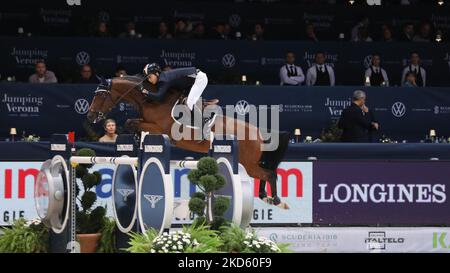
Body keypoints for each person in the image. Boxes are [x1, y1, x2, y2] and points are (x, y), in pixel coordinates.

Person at [141, 63, 214, 128]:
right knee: (185, 101)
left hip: (199, 79)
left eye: (150, 77)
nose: (149, 80)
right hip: (191, 82)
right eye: (148, 78)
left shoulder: (164, 79)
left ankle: (205, 121)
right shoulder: (163, 77)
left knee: (189, 103)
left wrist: (146, 92)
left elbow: (159, 96)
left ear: (156, 73)